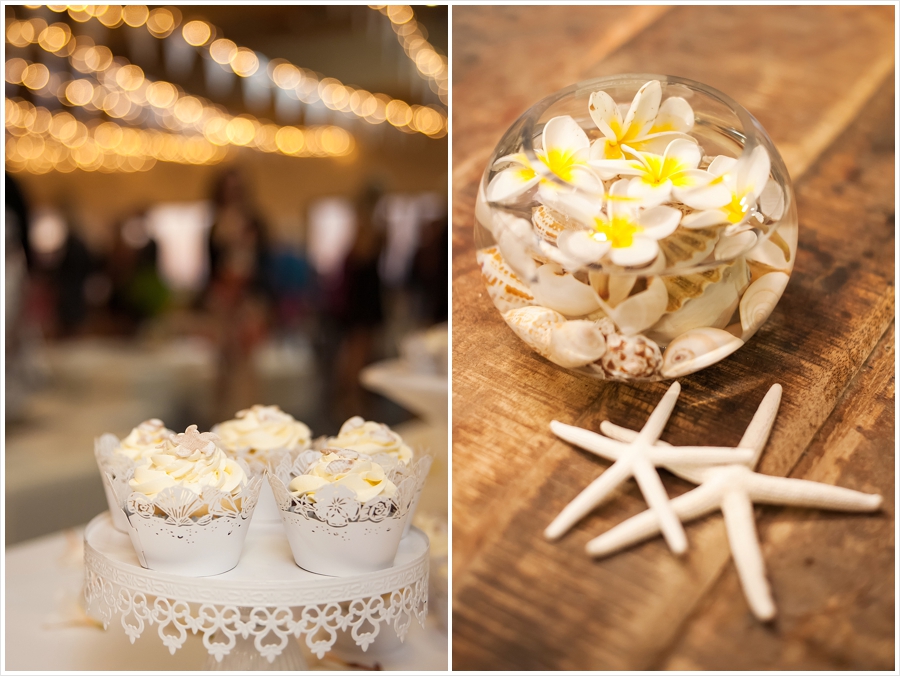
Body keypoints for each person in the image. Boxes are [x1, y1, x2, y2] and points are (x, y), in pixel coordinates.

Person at [202, 168, 273, 421]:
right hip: (224, 299)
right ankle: (222, 417)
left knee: (248, 360)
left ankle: (250, 417)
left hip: (248, 298)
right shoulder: (214, 225)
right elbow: (210, 268)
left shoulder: (255, 223)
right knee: (223, 360)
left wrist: (256, 299)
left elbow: (265, 264)